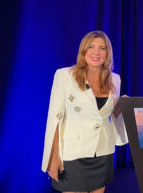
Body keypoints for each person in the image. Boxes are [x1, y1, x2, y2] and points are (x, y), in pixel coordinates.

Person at [41, 30, 128, 193]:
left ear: (107, 53)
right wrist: (53, 157)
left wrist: (123, 105)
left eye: (102, 48)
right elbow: (55, 118)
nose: (96, 52)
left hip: (102, 151)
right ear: (83, 51)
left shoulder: (114, 79)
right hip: (72, 152)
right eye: (91, 47)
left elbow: (110, 114)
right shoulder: (64, 76)